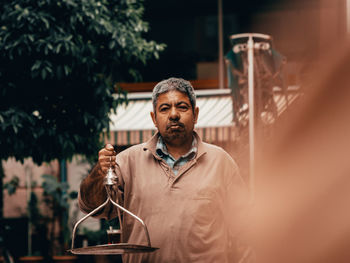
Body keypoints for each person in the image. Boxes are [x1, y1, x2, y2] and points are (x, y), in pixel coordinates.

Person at [79, 77, 249, 263]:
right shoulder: (128, 161)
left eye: (182, 107)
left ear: (195, 115)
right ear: (154, 118)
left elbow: (245, 229)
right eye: (165, 108)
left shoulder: (220, 161)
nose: (174, 114)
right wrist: (100, 171)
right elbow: (91, 207)